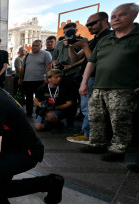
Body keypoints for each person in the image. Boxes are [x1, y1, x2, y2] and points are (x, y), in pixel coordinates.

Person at [79, 3, 139, 162]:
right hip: (99, 86)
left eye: (122, 15)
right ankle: (97, 143)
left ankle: (118, 150)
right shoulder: (105, 40)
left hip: (123, 88)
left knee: (120, 120)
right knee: (95, 117)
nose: (116, 19)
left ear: (134, 15)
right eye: (114, 16)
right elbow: (91, 61)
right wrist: (84, 82)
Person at [65, 12, 112, 144]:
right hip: (89, 78)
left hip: (98, 78)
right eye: (87, 25)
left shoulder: (109, 37)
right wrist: (70, 46)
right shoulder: (93, 40)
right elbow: (75, 58)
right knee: (88, 108)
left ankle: (89, 135)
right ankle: (88, 133)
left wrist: (84, 46)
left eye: (92, 24)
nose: (89, 27)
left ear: (103, 21)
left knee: (90, 108)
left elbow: (97, 60)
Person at [52, 22, 88, 129]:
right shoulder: (59, 43)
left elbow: (85, 59)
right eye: (64, 32)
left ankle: (72, 122)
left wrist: (70, 67)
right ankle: (61, 119)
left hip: (74, 74)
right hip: (61, 75)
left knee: (74, 99)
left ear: (75, 31)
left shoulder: (82, 41)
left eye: (69, 32)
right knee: (63, 98)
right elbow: (54, 58)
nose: (66, 34)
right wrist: (56, 66)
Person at [20, 40, 52, 117]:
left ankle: (39, 113)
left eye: (37, 45)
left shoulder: (46, 54)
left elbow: (49, 66)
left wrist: (47, 78)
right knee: (28, 98)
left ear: (41, 46)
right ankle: (29, 112)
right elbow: (23, 68)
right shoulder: (27, 55)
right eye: (33, 45)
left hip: (40, 80)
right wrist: (21, 78)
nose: (34, 47)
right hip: (27, 80)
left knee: (40, 98)